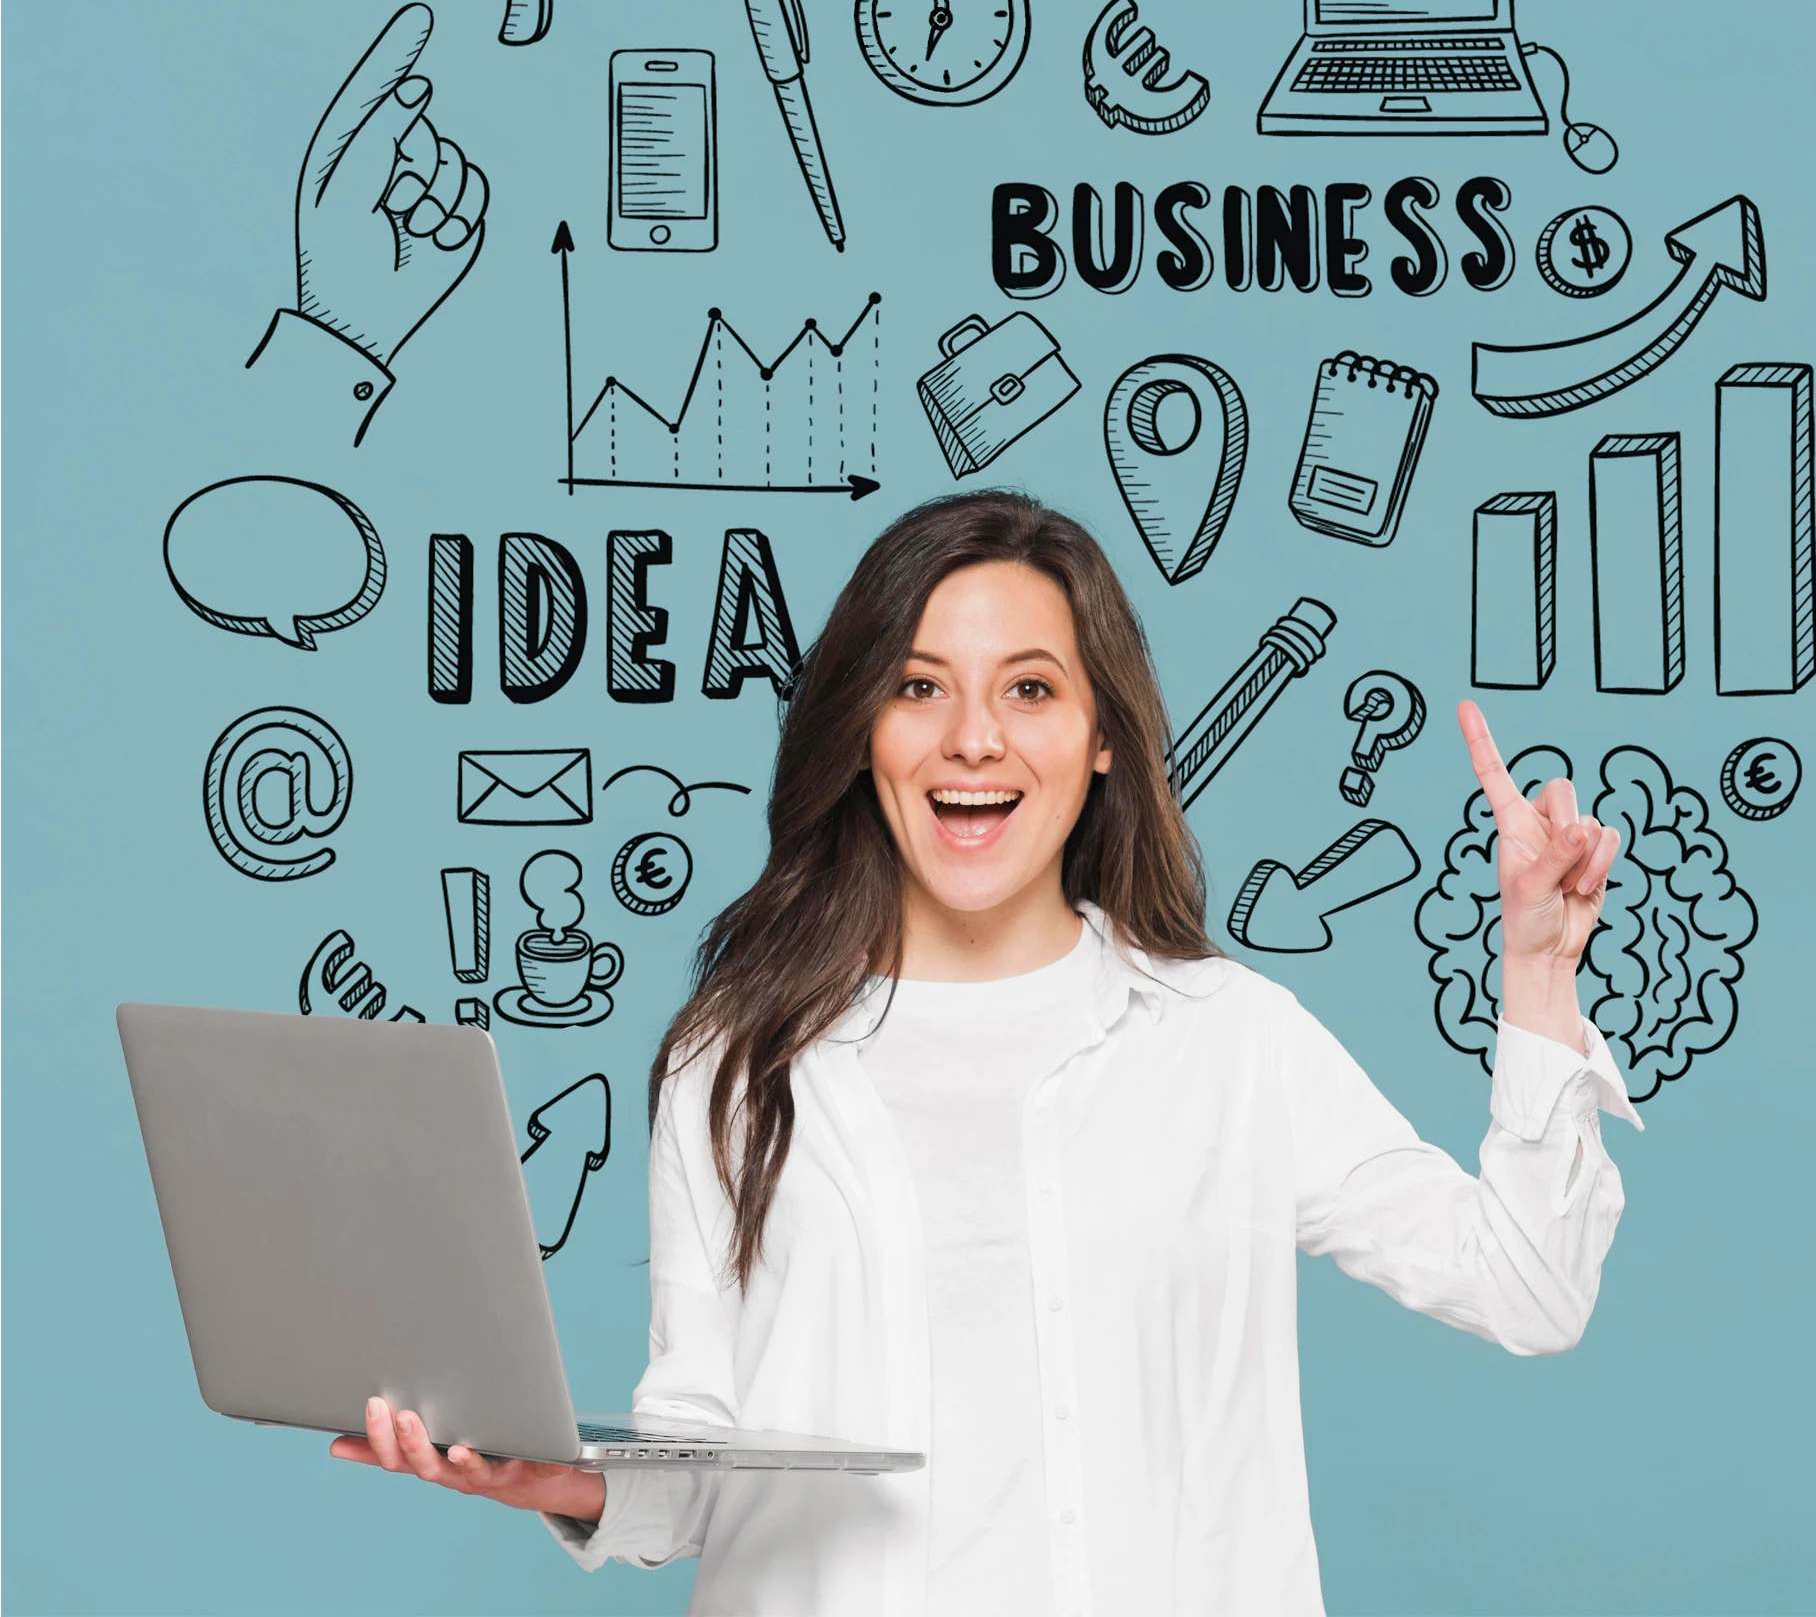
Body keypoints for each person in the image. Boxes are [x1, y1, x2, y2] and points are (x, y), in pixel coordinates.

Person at [333, 490, 1642, 1615]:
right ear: (865, 732)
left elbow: (1528, 1289)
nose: (975, 738)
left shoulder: (1228, 1041)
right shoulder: (737, 1059)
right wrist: (556, 1478)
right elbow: (703, 1449)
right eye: (920, 688)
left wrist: (1535, 972)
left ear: (1104, 736)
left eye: (1030, 688)